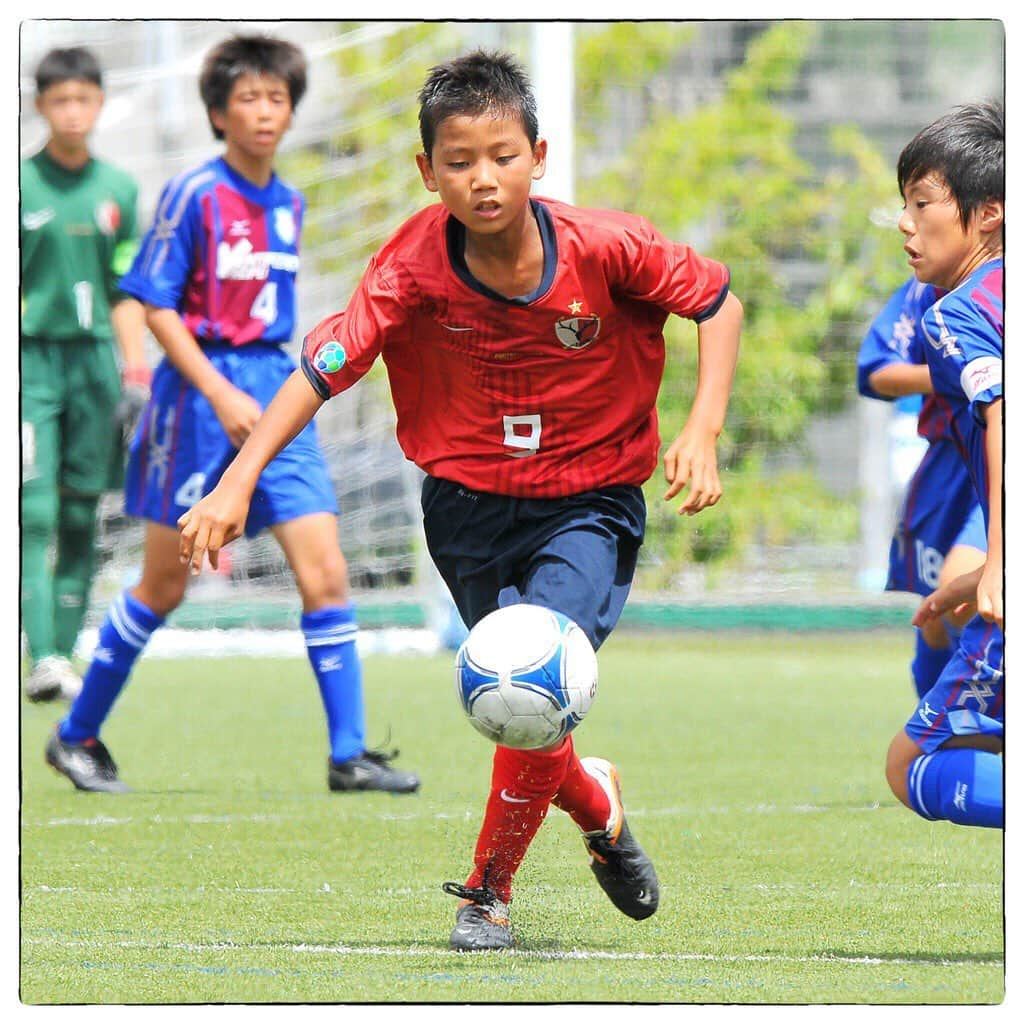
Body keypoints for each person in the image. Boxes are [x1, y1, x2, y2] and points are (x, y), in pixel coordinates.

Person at [178, 50, 742, 949]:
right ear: (426, 169)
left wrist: (702, 429)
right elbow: (323, 369)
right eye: (460, 161)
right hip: (467, 507)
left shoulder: (607, 245)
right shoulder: (409, 266)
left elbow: (717, 301)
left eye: (503, 156)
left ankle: (488, 892)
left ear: (539, 155)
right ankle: (597, 806)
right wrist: (236, 482)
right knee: (522, 701)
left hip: (588, 501)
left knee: (530, 671)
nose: (484, 179)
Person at [44, 34, 420, 797]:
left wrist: (257, 388)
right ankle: (75, 734)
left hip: (276, 390)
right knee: (165, 585)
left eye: (275, 98)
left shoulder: (289, 200)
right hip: (196, 403)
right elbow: (153, 303)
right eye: (247, 98)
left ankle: (349, 752)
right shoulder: (195, 194)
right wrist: (218, 391)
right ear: (218, 113)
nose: (263, 111)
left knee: (326, 570)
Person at [883, 101, 1003, 829]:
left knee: (912, 765)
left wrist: (998, 563)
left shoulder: (956, 313)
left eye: (922, 202)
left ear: (988, 213)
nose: (905, 221)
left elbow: (1003, 412)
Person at [21, 47, 149, 703]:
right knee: (31, 511)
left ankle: (60, 657)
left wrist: (136, 372)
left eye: (83, 99)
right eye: (59, 100)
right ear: (40, 106)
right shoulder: (18, 183)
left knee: (79, 516)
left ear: (98, 105)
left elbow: (124, 289)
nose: (72, 112)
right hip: (29, 362)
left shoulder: (119, 190)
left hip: (95, 367)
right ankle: (40, 652)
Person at [857, 280, 986, 698]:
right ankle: (935, 733)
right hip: (949, 465)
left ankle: (972, 731)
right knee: (934, 610)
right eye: (907, 208)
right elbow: (878, 370)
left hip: (998, 462)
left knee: (961, 595)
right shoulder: (924, 291)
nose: (907, 223)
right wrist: (954, 370)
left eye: (922, 208)